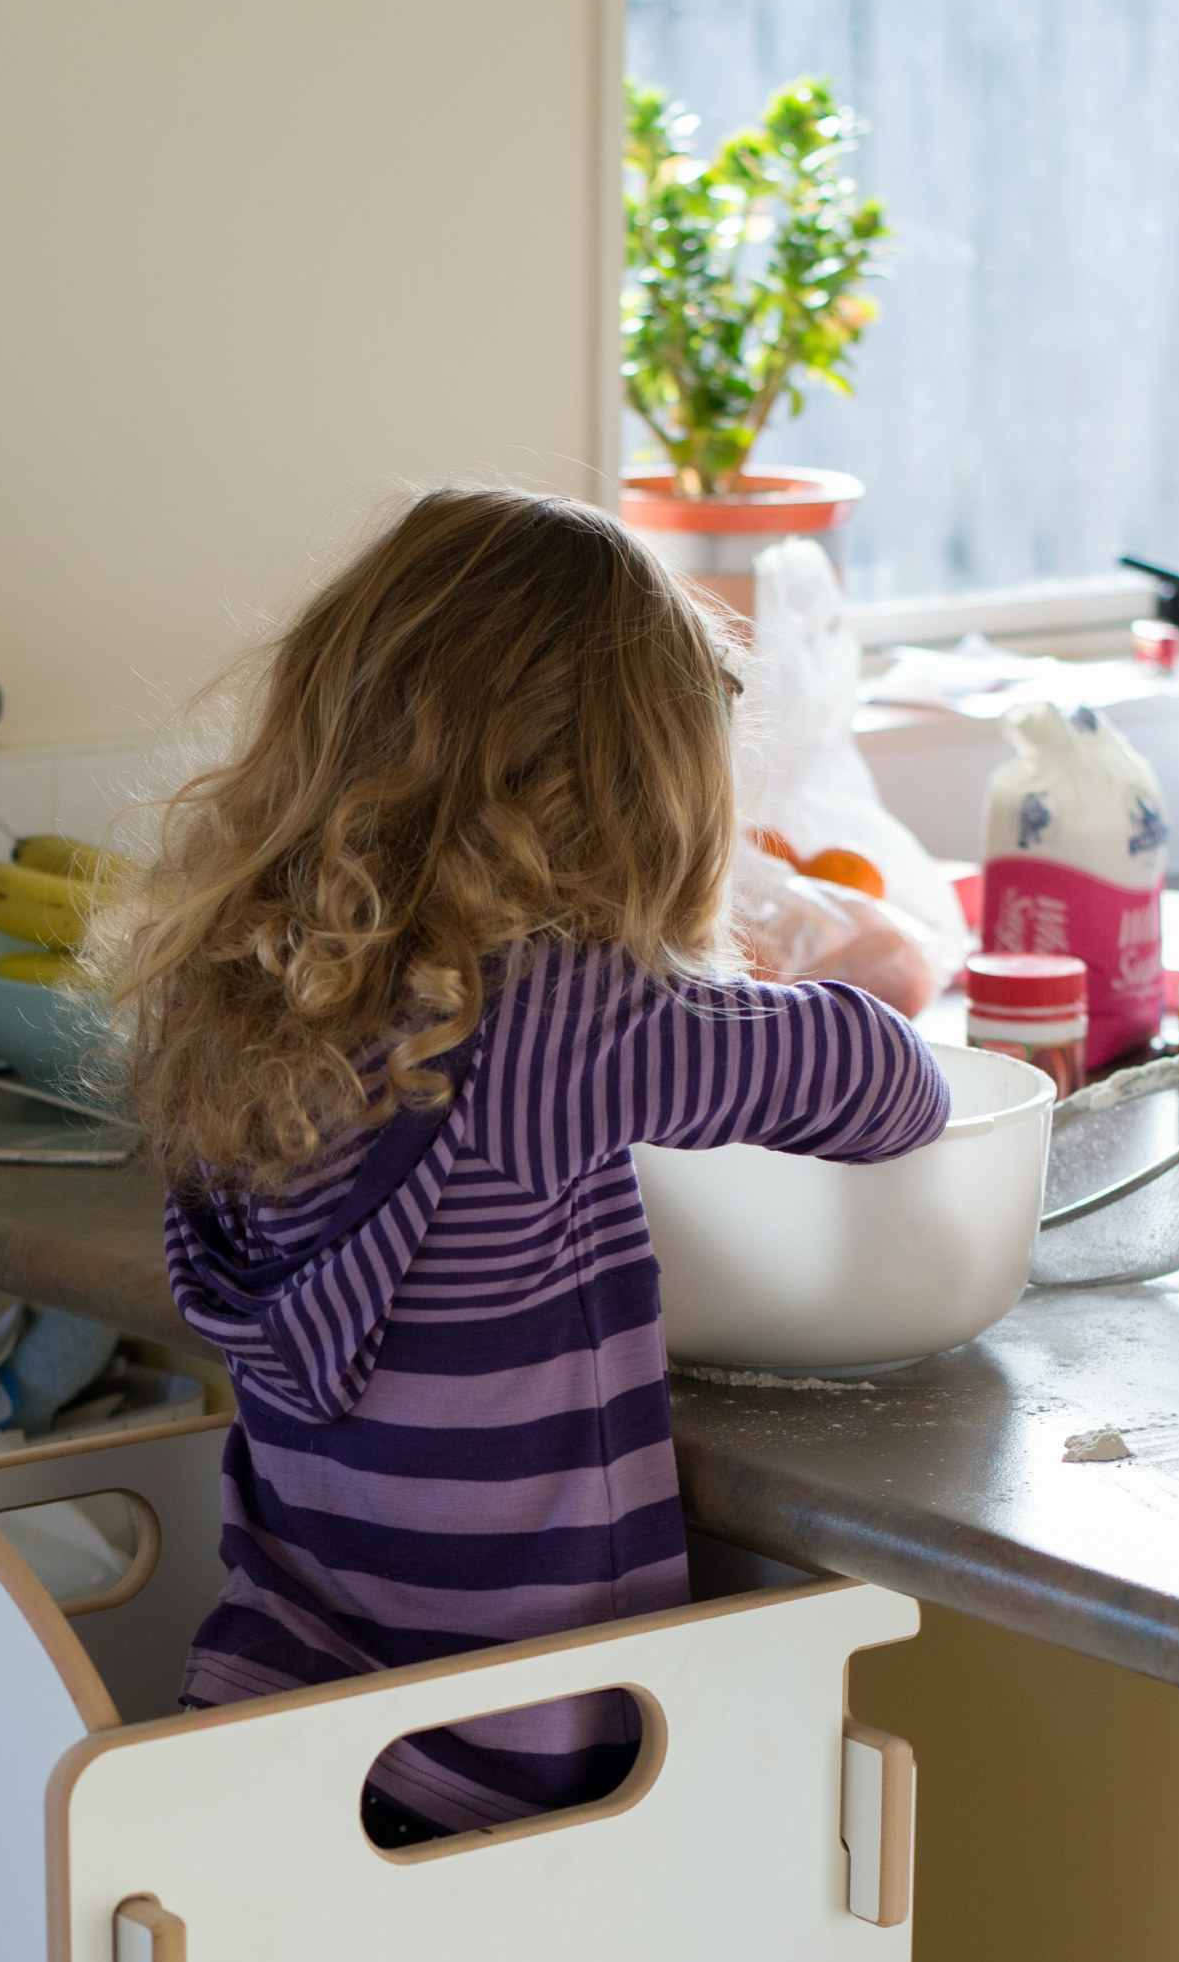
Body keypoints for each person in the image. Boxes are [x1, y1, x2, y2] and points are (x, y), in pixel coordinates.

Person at [96, 483, 952, 1862]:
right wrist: (775, 976)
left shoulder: (246, 997)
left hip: (290, 1719)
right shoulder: (546, 1022)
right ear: (634, 795)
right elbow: (886, 1087)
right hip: (518, 1772)